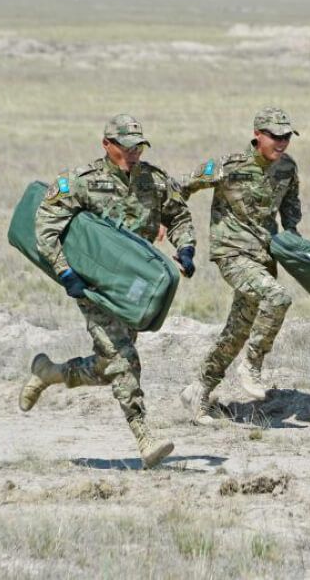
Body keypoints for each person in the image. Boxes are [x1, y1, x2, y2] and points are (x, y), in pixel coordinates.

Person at [19, 114, 197, 469]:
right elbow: (45, 226)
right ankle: (144, 435)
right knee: (122, 358)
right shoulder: (82, 181)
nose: (134, 154)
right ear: (107, 145)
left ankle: (50, 373)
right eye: (127, 147)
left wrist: (186, 247)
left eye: (139, 147)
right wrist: (65, 272)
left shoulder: (154, 180)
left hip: (135, 287)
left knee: (107, 365)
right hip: (93, 287)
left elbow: (179, 216)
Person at [177, 107, 301, 421]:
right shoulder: (227, 166)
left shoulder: (287, 168)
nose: (282, 142)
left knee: (237, 330)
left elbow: (290, 211)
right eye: (275, 136)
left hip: (263, 258)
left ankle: (198, 391)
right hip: (232, 254)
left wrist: (296, 243)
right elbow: (180, 188)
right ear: (258, 135)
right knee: (278, 298)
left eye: (286, 136)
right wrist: (172, 225)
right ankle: (252, 365)